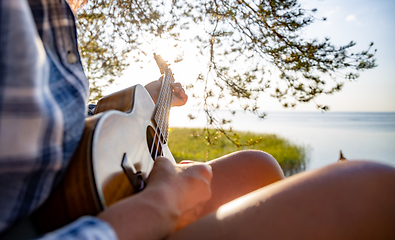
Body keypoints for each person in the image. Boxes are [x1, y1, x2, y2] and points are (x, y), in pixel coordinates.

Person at [0, 0, 394, 240]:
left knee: (257, 167)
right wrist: (152, 208)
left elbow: (64, 126)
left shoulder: (52, 18)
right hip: (72, 224)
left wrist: (147, 106)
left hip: (87, 196)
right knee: (371, 192)